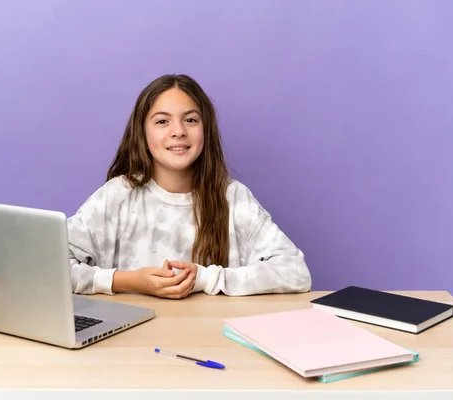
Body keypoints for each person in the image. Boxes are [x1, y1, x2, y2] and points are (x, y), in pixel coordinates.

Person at [67, 74, 311, 299]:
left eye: (190, 120)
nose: (178, 131)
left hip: (211, 338)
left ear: (206, 129)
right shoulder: (117, 196)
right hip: (131, 340)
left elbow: (295, 272)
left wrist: (204, 278)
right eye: (162, 121)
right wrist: (127, 281)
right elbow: (46, 266)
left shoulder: (233, 198)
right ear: (142, 133)